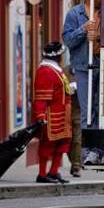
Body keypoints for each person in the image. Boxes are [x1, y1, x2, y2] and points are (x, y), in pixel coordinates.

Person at [33, 42, 74, 184]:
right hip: (52, 115)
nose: (63, 57)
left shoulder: (56, 69)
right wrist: (40, 116)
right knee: (47, 145)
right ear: (57, 56)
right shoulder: (45, 71)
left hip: (63, 114)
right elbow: (41, 97)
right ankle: (42, 174)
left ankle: (54, 171)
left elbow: (62, 89)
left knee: (63, 143)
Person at [62, 0, 101, 130]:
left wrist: (97, 37)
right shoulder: (74, 14)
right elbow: (68, 40)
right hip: (83, 68)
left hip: (103, 66)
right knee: (87, 111)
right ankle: (87, 150)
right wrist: (83, 29)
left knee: (101, 110)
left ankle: (99, 149)